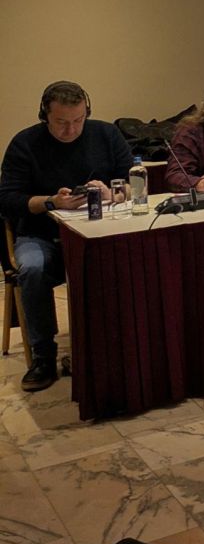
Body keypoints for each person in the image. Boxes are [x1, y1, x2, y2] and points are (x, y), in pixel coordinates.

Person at [0, 81, 133, 391]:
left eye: (78, 120)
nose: (71, 129)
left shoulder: (106, 135)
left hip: (98, 233)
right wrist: (52, 202)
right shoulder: (25, 143)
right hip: (41, 235)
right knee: (33, 269)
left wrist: (112, 193)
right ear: (44, 115)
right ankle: (43, 356)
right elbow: (6, 200)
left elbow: (135, 182)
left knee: (130, 261)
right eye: (61, 122)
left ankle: (108, 347)